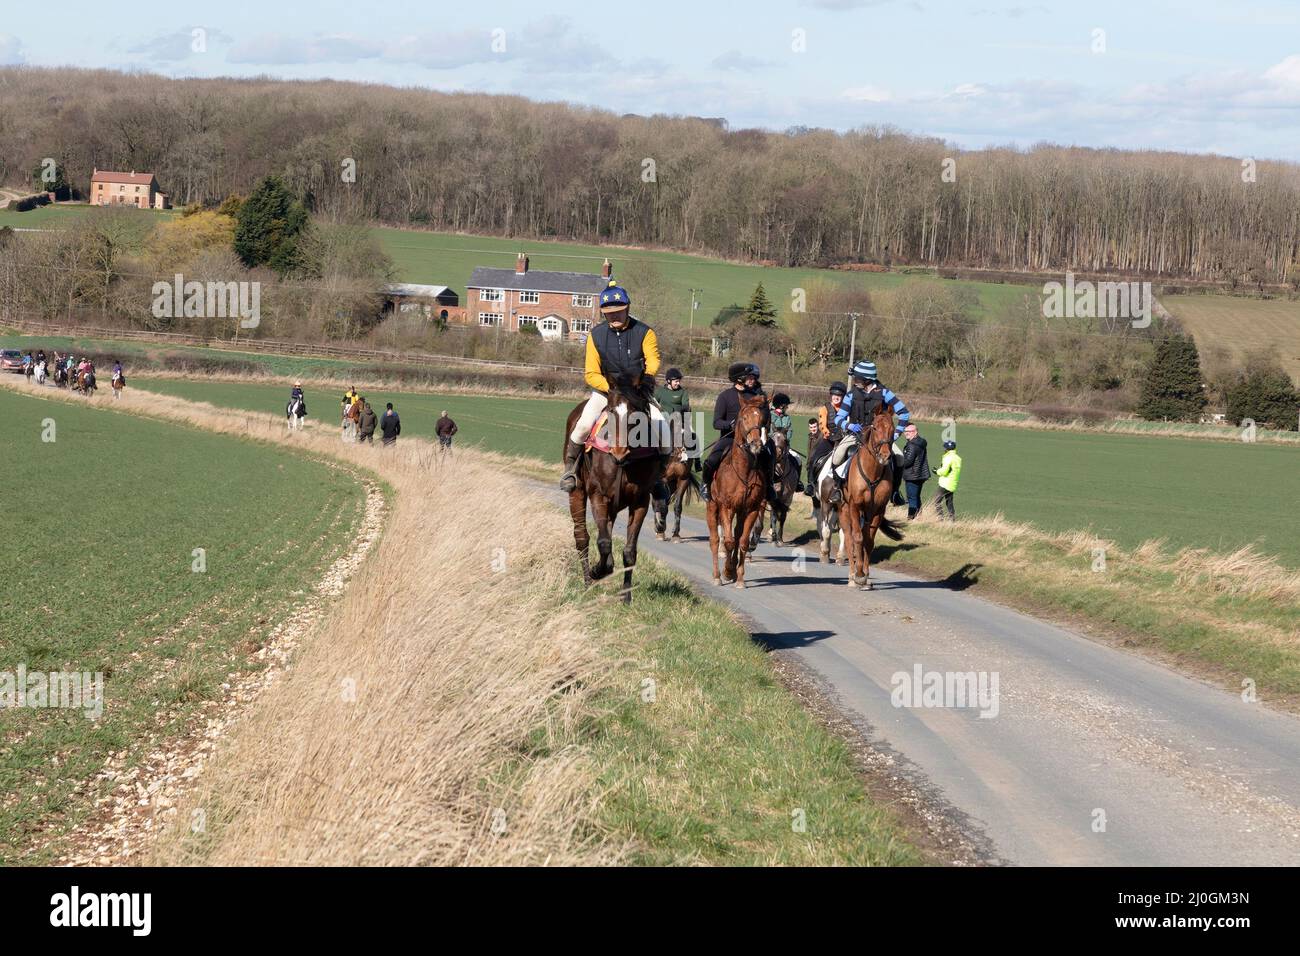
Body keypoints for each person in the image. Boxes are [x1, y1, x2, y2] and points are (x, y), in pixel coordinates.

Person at [559, 280, 669, 491]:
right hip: (606, 391)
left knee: (662, 428)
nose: (614, 315)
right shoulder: (595, 335)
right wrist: (612, 389)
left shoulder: (645, 332)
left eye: (619, 311)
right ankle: (570, 470)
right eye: (609, 312)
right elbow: (591, 372)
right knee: (582, 425)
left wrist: (645, 378)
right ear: (603, 312)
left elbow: (653, 360)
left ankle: (659, 479)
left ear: (627, 308)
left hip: (637, 393)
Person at [828, 360, 910, 507]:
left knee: (900, 458)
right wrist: (849, 425)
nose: (854, 380)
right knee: (838, 455)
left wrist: (895, 434)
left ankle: (895, 492)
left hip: (880, 437)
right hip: (856, 435)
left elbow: (904, 414)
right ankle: (837, 489)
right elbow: (839, 418)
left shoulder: (885, 393)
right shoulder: (851, 394)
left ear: (866, 380)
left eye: (857, 378)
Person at [699, 362, 772, 503]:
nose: (753, 380)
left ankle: (768, 488)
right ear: (739, 378)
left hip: (751, 438)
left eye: (754, 377)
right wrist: (730, 424)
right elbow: (716, 422)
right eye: (750, 377)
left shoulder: (755, 396)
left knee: (768, 457)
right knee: (711, 460)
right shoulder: (725, 396)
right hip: (730, 438)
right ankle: (706, 485)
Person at [654, 368, 696, 467]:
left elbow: (686, 406)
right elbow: (654, 404)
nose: (678, 383)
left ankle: (696, 461)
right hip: (662, 421)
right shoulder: (660, 392)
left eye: (678, 381)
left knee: (692, 434)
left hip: (679, 421)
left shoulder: (682, 392)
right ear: (668, 381)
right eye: (676, 381)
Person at [768, 392, 803, 492]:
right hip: (772, 446)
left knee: (798, 459)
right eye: (786, 406)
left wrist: (785, 439)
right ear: (782, 406)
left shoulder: (787, 417)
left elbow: (790, 430)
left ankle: (797, 483)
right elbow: (769, 432)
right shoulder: (770, 416)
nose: (787, 407)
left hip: (785, 446)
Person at [899, 423, 931, 520]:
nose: (906, 433)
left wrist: (898, 460)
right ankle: (919, 515)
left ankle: (911, 517)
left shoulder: (912, 445)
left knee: (911, 497)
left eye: (908, 432)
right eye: (905, 432)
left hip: (912, 475)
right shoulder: (921, 442)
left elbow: (908, 461)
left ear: (915, 432)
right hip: (921, 474)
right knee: (916, 496)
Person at [932, 439, 962, 520]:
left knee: (936, 501)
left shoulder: (948, 457)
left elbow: (945, 471)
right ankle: (952, 519)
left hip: (945, 483)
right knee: (949, 503)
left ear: (946, 448)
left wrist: (936, 471)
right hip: (953, 483)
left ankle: (940, 518)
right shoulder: (958, 458)